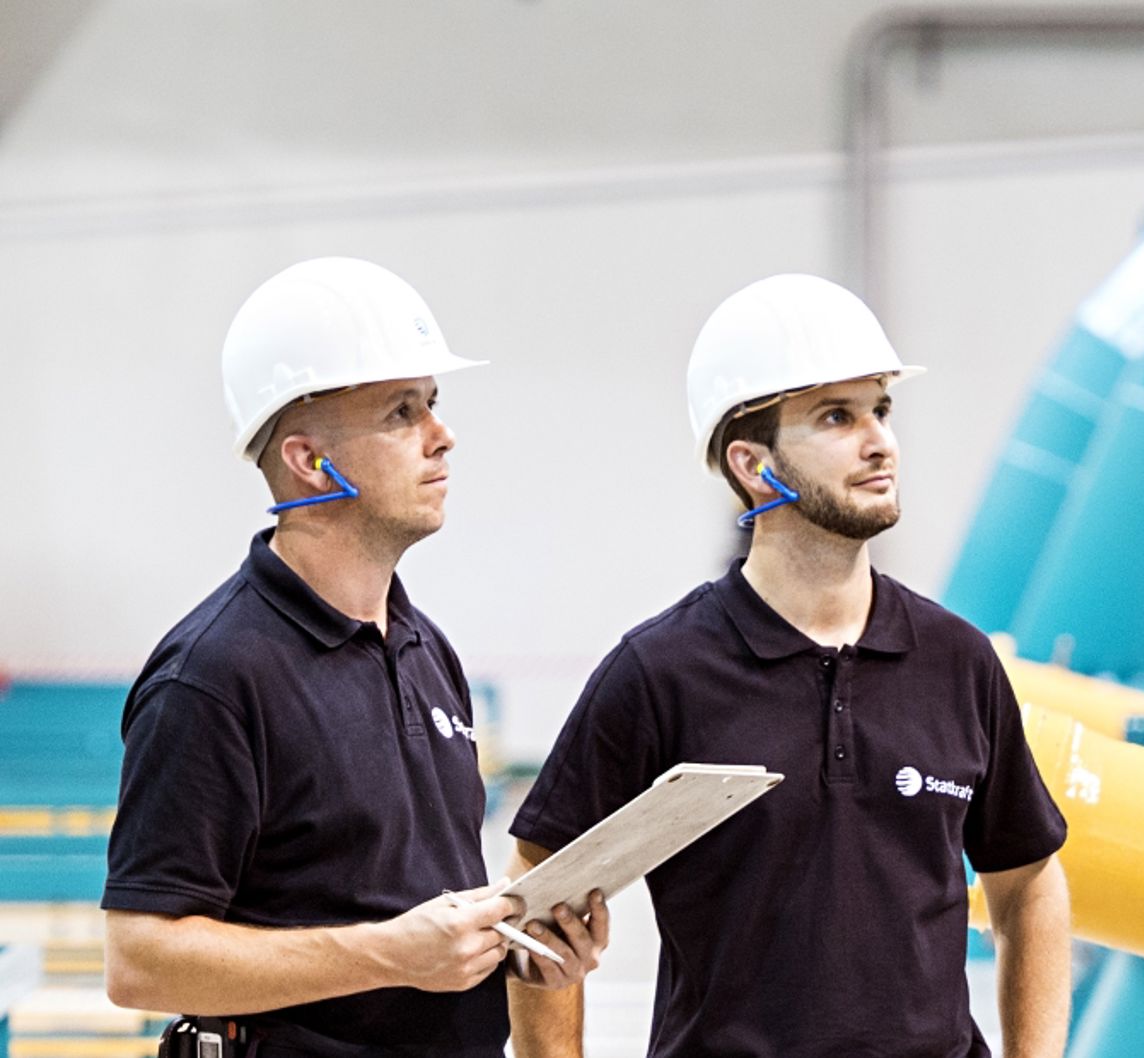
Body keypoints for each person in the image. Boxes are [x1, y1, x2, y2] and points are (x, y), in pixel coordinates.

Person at [506, 274, 1071, 1058]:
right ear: (752, 463)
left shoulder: (957, 662)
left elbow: (1029, 883)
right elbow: (538, 900)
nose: (880, 442)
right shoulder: (660, 672)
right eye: (836, 417)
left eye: (880, 409)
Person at [102, 257, 608, 1058]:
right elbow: (139, 960)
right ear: (309, 461)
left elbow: (420, 921)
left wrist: (513, 953)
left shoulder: (426, 651)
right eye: (402, 412)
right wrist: (391, 954)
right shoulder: (214, 675)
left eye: (433, 404)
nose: (443, 436)